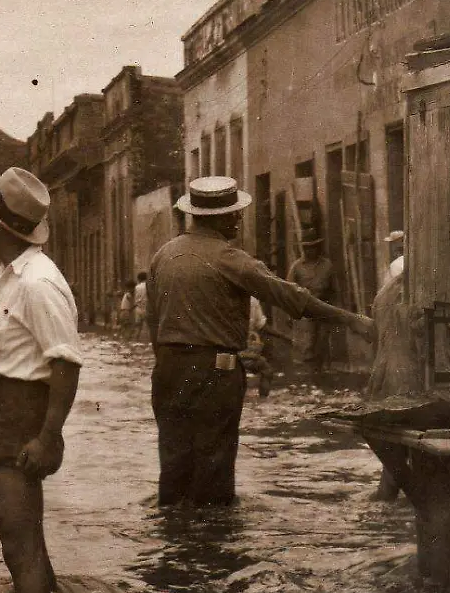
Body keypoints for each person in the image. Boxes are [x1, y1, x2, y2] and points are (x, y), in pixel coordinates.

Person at [150, 177, 371, 508]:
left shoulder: (163, 256)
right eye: (234, 214)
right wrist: (353, 320)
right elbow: (293, 298)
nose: (238, 220)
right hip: (215, 375)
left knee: (174, 471)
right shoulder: (232, 259)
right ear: (220, 218)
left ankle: (172, 547)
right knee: (214, 477)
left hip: (167, 373)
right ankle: (214, 552)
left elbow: (153, 323)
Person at [0, 167, 81, 593]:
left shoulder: (37, 282)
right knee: (28, 540)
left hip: (18, 417)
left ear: (0, 228)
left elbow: (65, 362)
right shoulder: (11, 275)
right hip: (0, 413)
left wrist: (48, 436)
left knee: (18, 545)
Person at [362, 265, 421, 501]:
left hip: (382, 379)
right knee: (407, 448)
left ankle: (388, 499)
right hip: (407, 380)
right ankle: (415, 498)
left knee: (394, 449)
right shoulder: (415, 294)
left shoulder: (385, 292)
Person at [288, 232, 337, 370]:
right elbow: (288, 291)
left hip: (324, 307)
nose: (310, 250)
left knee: (322, 342)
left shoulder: (327, 265)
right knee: (307, 344)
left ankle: (321, 374)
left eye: (313, 247)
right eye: (307, 248)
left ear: (318, 247)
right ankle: (306, 376)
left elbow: (334, 289)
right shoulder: (297, 266)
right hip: (305, 309)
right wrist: (290, 313)